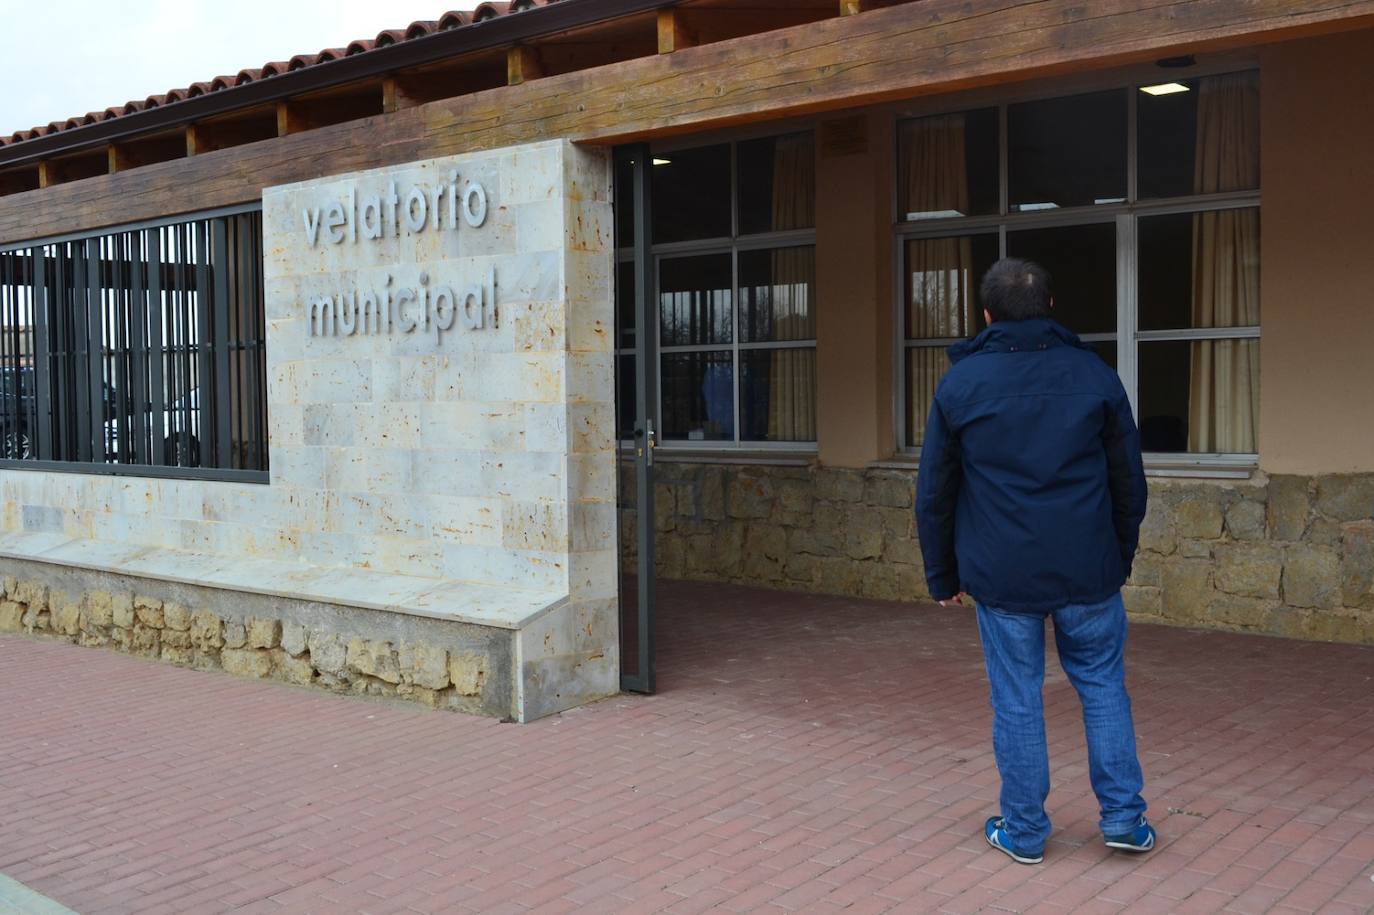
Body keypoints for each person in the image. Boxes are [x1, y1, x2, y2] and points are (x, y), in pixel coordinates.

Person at [914, 257, 1154, 865]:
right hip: (1088, 568)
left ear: (987, 315)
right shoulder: (1095, 375)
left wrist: (942, 573)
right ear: (1050, 307)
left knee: (1016, 697)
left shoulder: (962, 385)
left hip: (1002, 572)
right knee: (1102, 687)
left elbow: (935, 492)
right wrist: (1117, 556)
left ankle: (1023, 832)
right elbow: (1130, 481)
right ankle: (1124, 820)